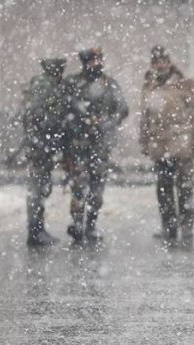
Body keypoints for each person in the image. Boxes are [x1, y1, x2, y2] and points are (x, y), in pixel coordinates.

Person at [64, 47, 129, 245]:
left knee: (97, 187)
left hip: (100, 144)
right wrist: (80, 119)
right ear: (86, 63)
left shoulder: (108, 83)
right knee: (78, 187)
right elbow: (65, 106)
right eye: (94, 60)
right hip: (78, 144)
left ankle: (91, 225)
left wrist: (109, 122)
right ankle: (77, 224)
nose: (98, 63)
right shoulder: (74, 83)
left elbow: (122, 107)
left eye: (100, 59)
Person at [139, 45, 194, 247]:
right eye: (156, 62)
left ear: (168, 62)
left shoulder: (184, 83)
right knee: (164, 190)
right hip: (160, 145)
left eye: (163, 61)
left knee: (184, 189)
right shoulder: (149, 85)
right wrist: (145, 140)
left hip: (181, 144)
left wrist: (193, 138)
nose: (160, 66)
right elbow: (145, 116)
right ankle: (169, 228)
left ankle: (187, 230)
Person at [22, 58, 69, 247]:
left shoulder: (44, 84)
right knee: (38, 188)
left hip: (41, 144)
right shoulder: (45, 85)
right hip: (40, 145)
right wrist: (53, 127)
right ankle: (35, 231)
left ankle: (37, 229)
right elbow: (37, 112)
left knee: (40, 187)